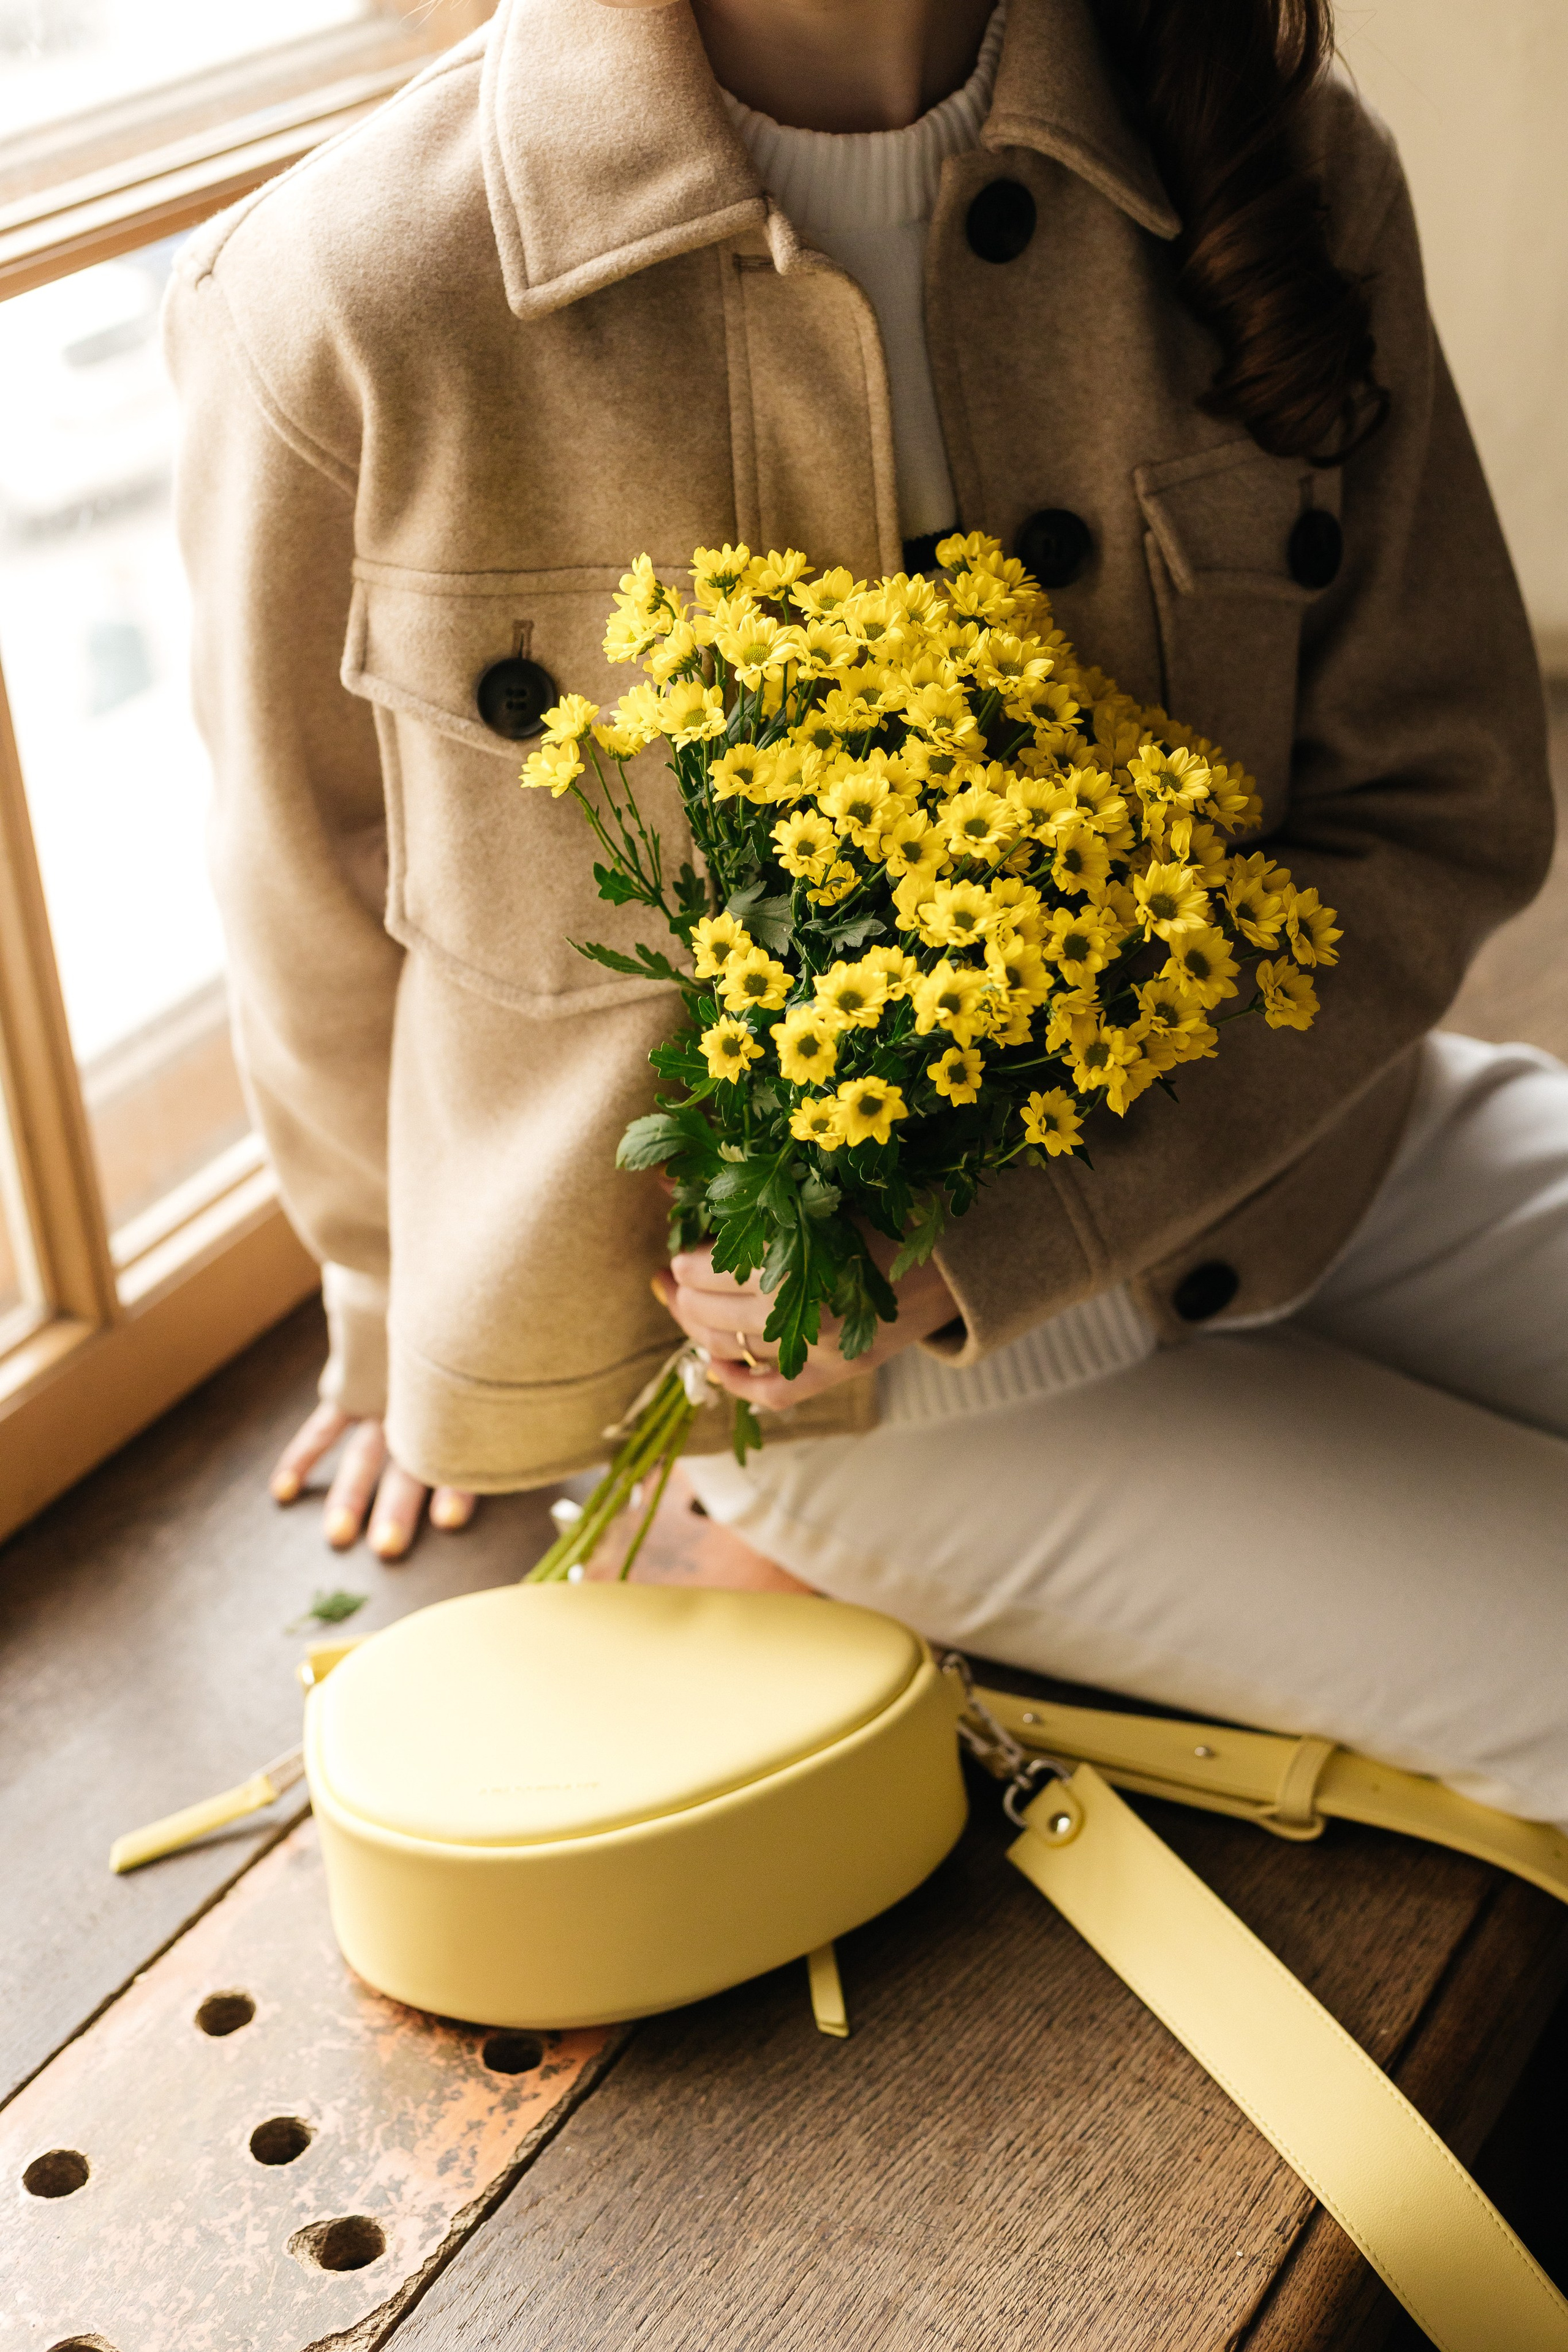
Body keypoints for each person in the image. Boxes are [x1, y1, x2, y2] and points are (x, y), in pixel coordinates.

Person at [167, 0, 1566, 1824]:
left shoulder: (1271, 146)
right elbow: (311, 892)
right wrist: (397, 1315)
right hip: (852, 1411)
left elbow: (1436, 799)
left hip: (1326, 1155)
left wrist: (1024, 1221)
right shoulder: (352, 286)